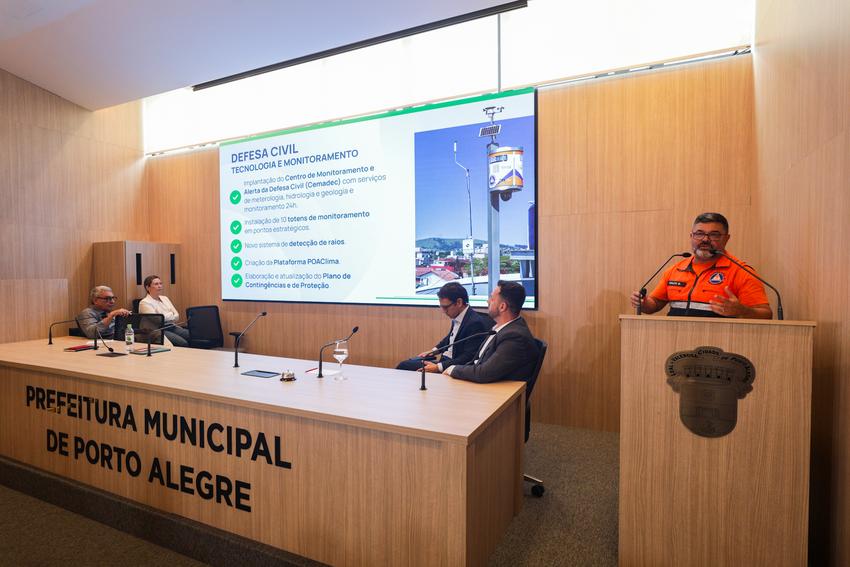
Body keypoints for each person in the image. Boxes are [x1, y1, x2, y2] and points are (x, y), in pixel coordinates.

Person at [630, 212, 773, 319]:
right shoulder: (675, 270)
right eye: (699, 234)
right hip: (675, 342)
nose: (705, 239)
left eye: (714, 235)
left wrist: (742, 311)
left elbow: (766, 315)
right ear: (691, 236)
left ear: (726, 238)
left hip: (719, 346)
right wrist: (643, 303)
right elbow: (654, 304)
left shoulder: (741, 271)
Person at [443, 280, 540, 383]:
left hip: (497, 390)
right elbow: (477, 362)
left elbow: (483, 373)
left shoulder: (515, 337)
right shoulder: (500, 328)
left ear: (502, 307)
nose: (488, 301)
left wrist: (453, 369)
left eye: (492, 298)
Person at [396, 282, 495, 372]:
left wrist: (438, 367)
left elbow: (468, 357)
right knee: (406, 365)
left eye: (445, 307)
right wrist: (434, 351)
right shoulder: (459, 316)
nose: (443, 311)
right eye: (441, 307)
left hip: (453, 366)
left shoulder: (475, 323)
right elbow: (450, 338)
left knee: (404, 366)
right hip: (444, 361)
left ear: (459, 302)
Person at [138, 275, 191, 347]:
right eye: (156, 284)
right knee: (182, 343)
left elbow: (177, 316)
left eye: (160, 283)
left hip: (171, 326)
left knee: (192, 336)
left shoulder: (165, 298)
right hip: (158, 330)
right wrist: (171, 314)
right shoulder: (144, 302)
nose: (159, 286)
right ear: (148, 287)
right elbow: (159, 319)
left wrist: (166, 316)